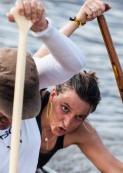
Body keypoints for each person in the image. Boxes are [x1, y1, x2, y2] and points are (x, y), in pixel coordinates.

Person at [0, 0, 86, 173]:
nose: (14, 119)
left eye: (20, 108)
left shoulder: (26, 79)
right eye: (6, 108)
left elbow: (74, 64)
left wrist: (44, 30)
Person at [35, 0, 123, 172]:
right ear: (53, 94)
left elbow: (114, 168)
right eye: (65, 108)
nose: (68, 123)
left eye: (80, 117)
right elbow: (37, 60)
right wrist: (78, 20)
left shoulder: (81, 131)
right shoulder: (31, 102)